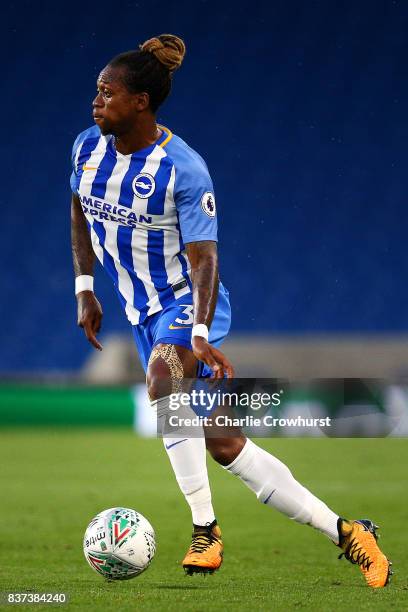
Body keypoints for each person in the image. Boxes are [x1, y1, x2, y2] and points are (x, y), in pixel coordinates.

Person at [70, 33, 391, 588]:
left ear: (140, 102)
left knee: (162, 382)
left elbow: (205, 261)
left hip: (187, 307)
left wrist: (196, 332)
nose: (96, 100)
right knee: (220, 441)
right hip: (142, 313)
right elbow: (78, 207)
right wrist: (84, 286)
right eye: (97, 91)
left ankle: (206, 531)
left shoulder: (183, 169)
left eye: (107, 92)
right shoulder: (86, 148)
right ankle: (348, 532)